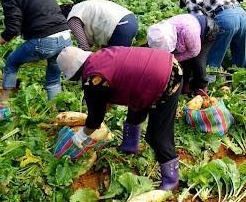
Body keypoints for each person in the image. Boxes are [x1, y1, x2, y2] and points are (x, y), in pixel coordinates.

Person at [56, 46, 182, 191]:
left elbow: (95, 119)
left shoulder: (92, 79)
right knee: (136, 107)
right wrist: (97, 110)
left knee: (157, 135)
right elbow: (107, 96)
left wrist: (81, 135)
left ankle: (171, 179)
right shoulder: (99, 58)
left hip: (167, 78)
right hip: (162, 65)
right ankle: (129, 146)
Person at [0, 0, 72, 107]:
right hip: (65, 38)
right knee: (53, 78)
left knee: (12, 61)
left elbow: (12, 29)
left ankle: (3, 101)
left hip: (45, 41)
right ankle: (54, 111)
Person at [175, 0, 246, 70]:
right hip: (242, 14)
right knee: (239, 50)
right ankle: (241, 73)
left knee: (215, 52)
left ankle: (211, 79)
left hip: (227, 18)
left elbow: (200, 24)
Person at [148, 14, 217, 96]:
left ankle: (201, 88)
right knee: (183, 63)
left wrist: (173, 59)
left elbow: (194, 52)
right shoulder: (158, 33)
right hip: (188, 30)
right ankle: (185, 86)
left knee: (198, 61)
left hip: (208, 30)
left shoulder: (189, 32)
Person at [60, 0, 138, 50]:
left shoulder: (72, 19)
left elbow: (84, 46)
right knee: (112, 56)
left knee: (113, 63)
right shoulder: (81, 7)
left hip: (121, 26)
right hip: (131, 20)